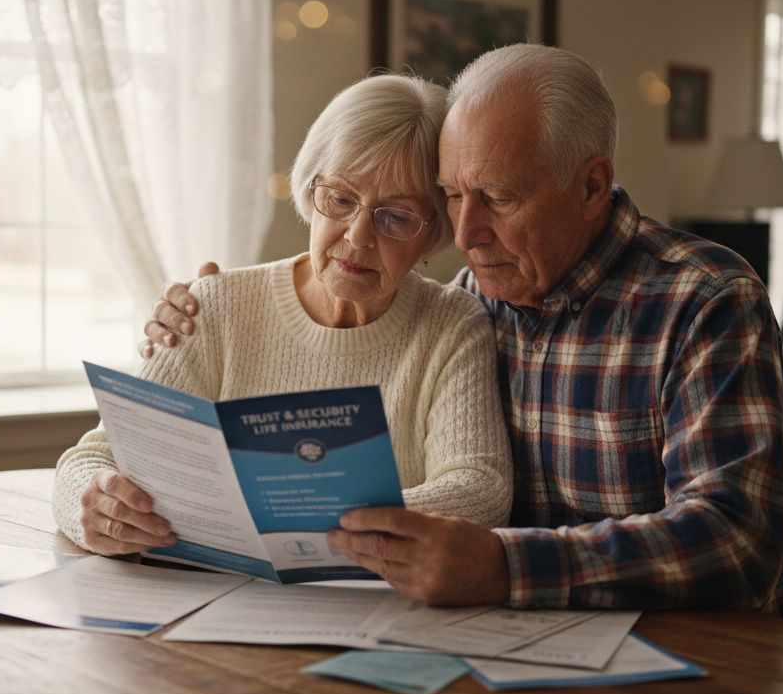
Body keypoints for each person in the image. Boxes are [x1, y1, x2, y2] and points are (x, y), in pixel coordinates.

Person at [142, 45, 783, 619]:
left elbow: (736, 539)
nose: (464, 234)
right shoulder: (470, 300)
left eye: (497, 197)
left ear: (591, 187)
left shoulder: (704, 300)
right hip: (518, 639)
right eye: (454, 196)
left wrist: (506, 566)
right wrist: (198, 313)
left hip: (708, 655)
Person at [52, 74, 513, 557]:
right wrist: (93, 507)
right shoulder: (215, 306)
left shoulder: (451, 326)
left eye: (395, 217)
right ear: (311, 192)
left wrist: (309, 520)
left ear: (433, 231)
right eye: (340, 200)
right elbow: (95, 457)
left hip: (372, 595)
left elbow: (480, 490)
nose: (358, 236)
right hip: (203, 590)